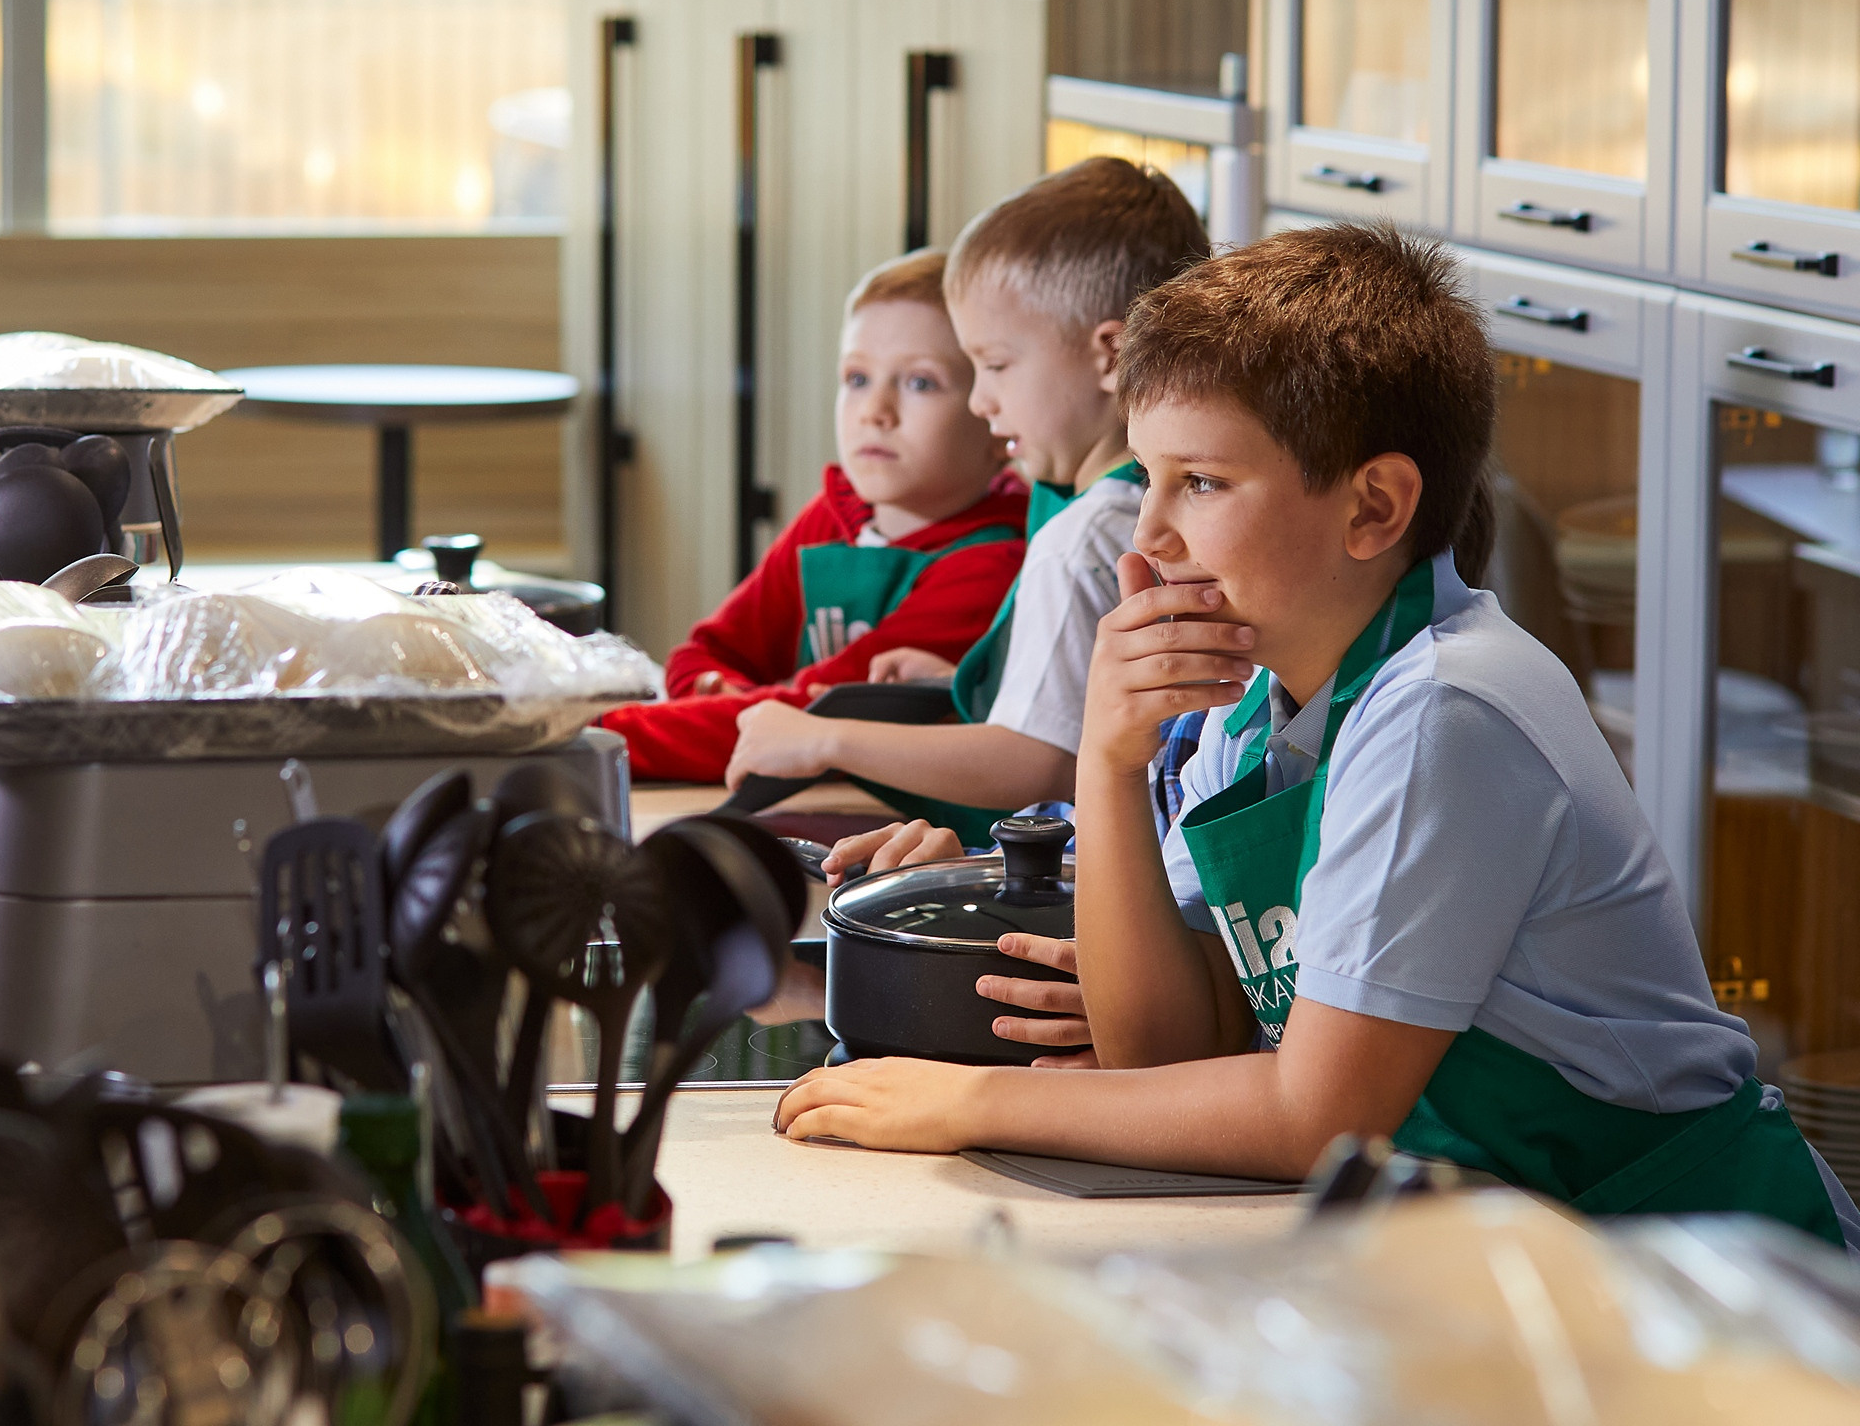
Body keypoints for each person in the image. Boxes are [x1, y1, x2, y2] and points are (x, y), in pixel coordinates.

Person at [773, 222, 1858, 1247]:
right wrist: (1109, 765)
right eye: (1148, 479)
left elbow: (1323, 1114)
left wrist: (974, 1101)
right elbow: (1167, 1043)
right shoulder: (1255, 710)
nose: (1149, 535)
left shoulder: (1444, 707)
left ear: (1374, 509)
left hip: (1698, 1259)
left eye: (1200, 481)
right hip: (1514, 1243)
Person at [724, 158, 1210, 843]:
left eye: (997, 366)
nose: (981, 401)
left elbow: (1037, 762)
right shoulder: (1157, 498)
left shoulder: (1087, 533)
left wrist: (824, 739)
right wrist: (972, 678)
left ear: (1110, 357)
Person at [599, 249, 1026, 784]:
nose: (876, 411)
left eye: (920, 383)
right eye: (856, 378)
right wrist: (721, 690)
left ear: (996, 414)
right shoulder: (833, 514)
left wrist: (594, 736)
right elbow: (707, 650)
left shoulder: (993, 562)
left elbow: (817, 715)